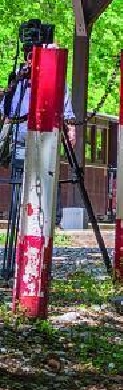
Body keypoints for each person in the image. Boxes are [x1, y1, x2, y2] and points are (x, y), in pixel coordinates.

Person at [1, 42, 77, 279]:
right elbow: (6, 111)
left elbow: (66, 108)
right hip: (21, 143)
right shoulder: (18, 81)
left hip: (45, 145)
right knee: (18, 196)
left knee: (45, 195)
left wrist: (70, 128)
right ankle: (16, 252)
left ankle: (40, 252)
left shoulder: (56, 79)